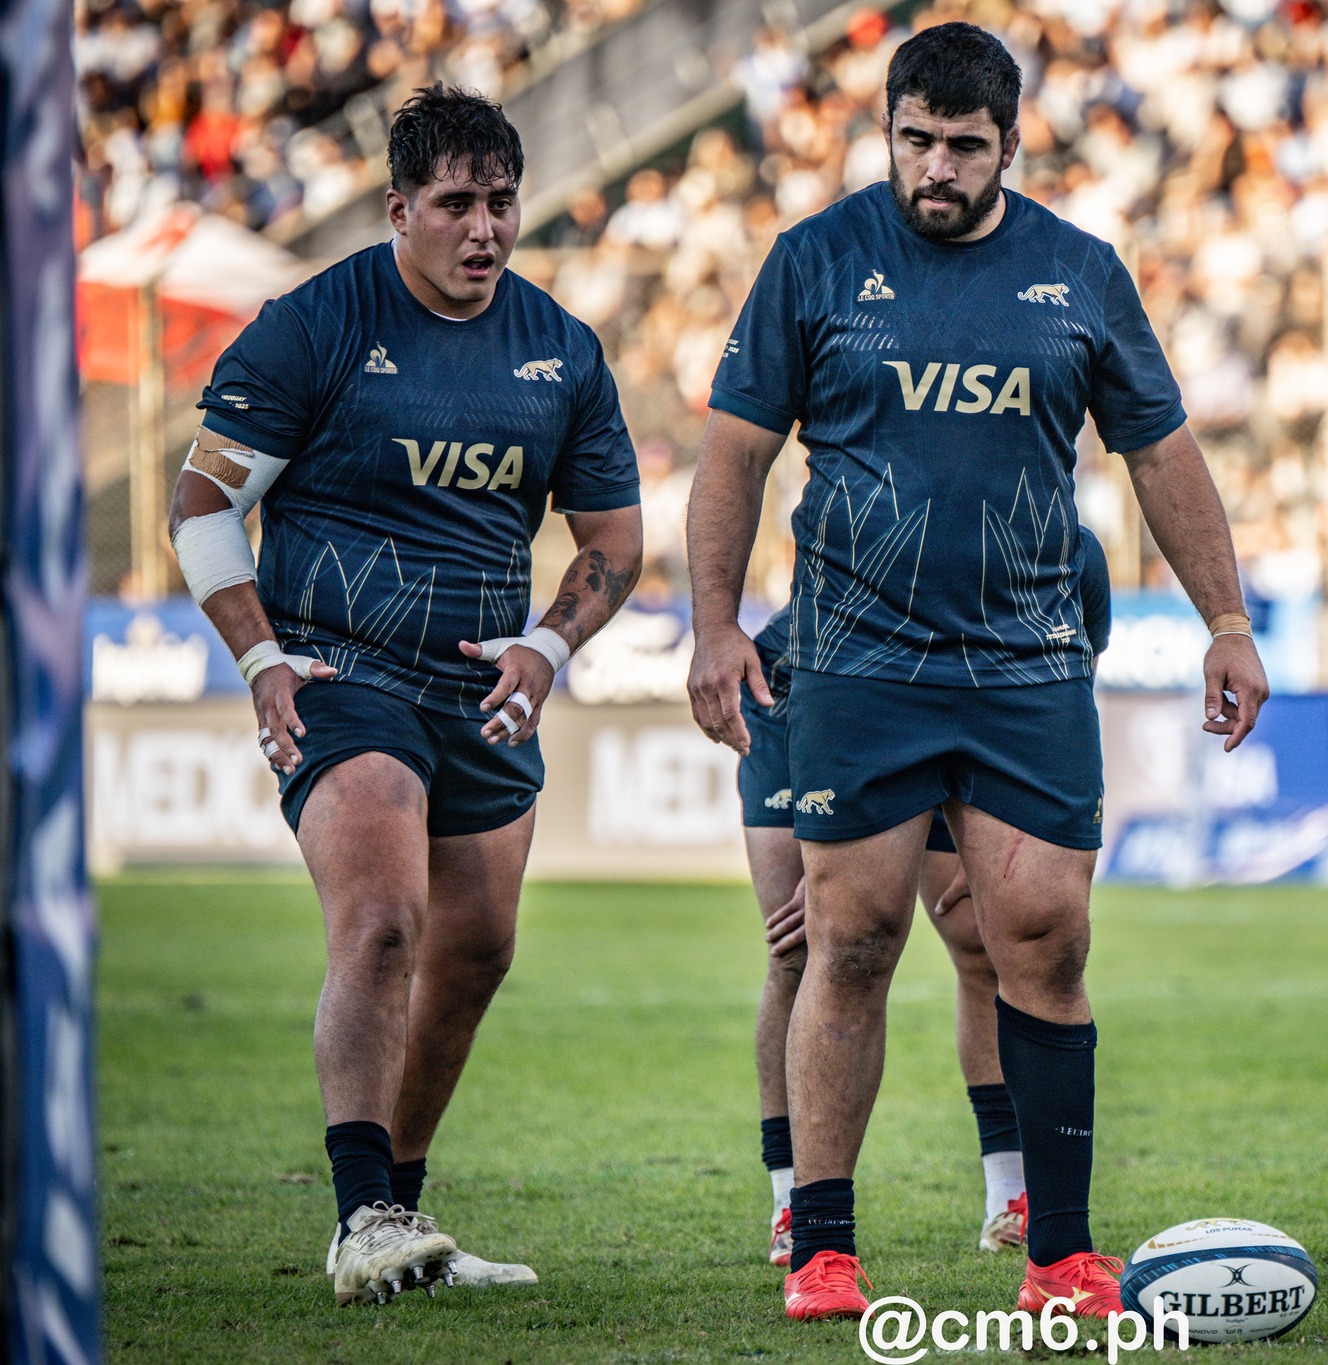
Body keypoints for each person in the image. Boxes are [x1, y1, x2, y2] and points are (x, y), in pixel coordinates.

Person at [685, 21, 1267, 1323]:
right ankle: (823, 1246)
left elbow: (1162, 455)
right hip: (858, 659)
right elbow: (733, 454)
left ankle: (1061, 1252)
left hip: (1028, 661)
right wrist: (716, 625)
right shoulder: (815, 260)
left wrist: (1225, 618)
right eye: (914, 139)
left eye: (962, 145)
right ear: (885, 129)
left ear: (1012, 143)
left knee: (1042, 939)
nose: (935, 166)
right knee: (851, 937)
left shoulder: (1079, 274)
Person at [169, 84, 643, 1305]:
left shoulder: (560, 347)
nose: (483, 229)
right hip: (340, 671)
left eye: (500, 203)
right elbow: (201, 507)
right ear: (397, 208)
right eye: (454, 205)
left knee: (475, 951)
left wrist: (551, 643)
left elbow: (614, 539)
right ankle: (358, 1214)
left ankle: (400, 1217)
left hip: (484, 690)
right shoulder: (308, 326)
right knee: (384, 922)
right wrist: (263, 659)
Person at [735, 528, 1114, 1266]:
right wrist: (839, 843)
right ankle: (792, 1201)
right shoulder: (892, 520)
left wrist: (1016, 820)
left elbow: (1070, 683)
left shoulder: (1074, 552)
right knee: (809, 946)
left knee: (982, 939)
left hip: (974, 709)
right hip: (812, 700)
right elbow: (835, 679)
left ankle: (1011, 1196)